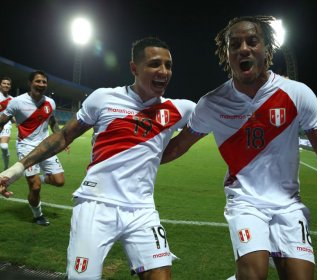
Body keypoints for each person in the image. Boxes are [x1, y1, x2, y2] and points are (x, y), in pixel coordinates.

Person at [160, 15, 317, 279]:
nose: (243, 48)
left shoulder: (297, 94)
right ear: (227, 54)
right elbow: (178, 146)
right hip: (245, 202)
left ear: (267, 49)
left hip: (288, 205)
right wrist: (136, 156)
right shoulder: (213, 103)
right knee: (254, 274)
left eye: (252, 41)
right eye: (234, 44)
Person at [0, 37, 195, 279]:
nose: (164, 72)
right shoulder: (104, 98)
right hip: (95, 204)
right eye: (155, 64)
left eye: (169, 65)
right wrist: (16, 169)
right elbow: (63, 137)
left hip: (143, 209)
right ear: (134, 68)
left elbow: (217, 115)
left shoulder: (180, 109)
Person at [0, 70, 67, 226]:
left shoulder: (50, 102)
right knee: (35, 187)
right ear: (30, 83)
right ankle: (38, 215)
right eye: (38, 81)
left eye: (44, 82)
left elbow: (52, 122)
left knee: (59, 181)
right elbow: (2, 120)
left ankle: (37, 178)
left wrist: (61, 139)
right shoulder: (17, 102)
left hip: (46, 146)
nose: (41, 84)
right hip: (26, 146)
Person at [0, 76, 15, 170]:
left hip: (5, 125)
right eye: (4, 83)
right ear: (0, 85)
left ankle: (6, 168)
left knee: (4, 147)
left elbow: (12, 115)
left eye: (8, 84)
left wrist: (17, 121)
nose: (6, 85)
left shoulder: (12, 100)